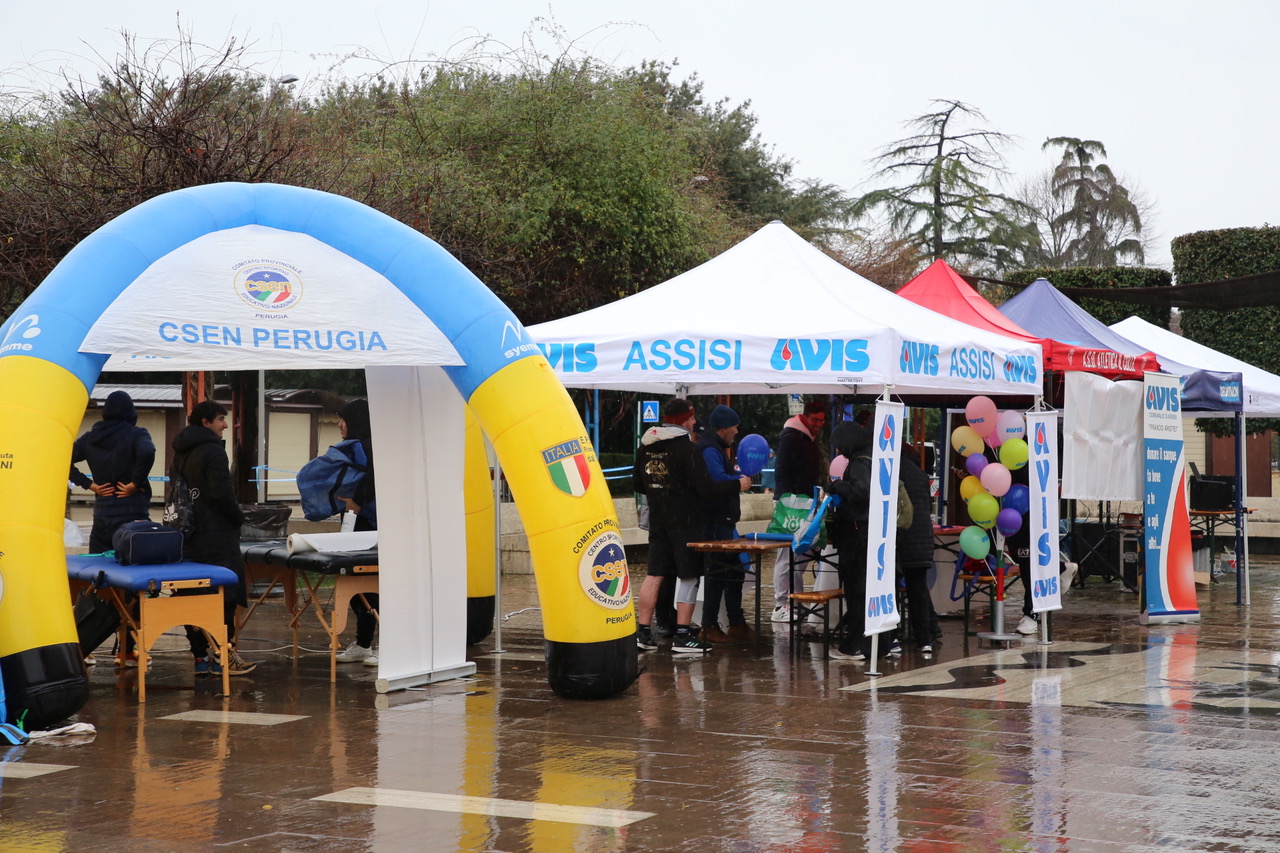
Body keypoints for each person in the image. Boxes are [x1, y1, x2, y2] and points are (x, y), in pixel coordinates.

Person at [633, 398, 751, 654]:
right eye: (691, 418)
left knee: (654, 576)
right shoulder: (685, 448)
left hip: (658, 522)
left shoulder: (646, 446)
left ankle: (642, 632)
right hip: (685, 523)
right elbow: (706, 488)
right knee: (688, 577)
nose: (695, 422)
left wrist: (661, 492)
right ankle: (684, 636)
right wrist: (737, 485)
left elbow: (638, 485)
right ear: (686, 418)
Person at [68, 389, 155, 666]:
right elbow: (148, 451)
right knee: (131, 584)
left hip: (103, 516)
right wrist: (136, 482)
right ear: (130, 412)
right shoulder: (137, 434)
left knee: (96, 582)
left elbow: (62, 455)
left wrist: (90, 484)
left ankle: (83, 646)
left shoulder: (92, 436)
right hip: (133, 519)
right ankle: (126, 649)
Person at [171, 400, 257, 676]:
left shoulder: (180, 452)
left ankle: (200, 656)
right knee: (225, 595)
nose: (224, 425)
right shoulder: (213, 451)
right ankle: (226, 655)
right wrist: (238, 518)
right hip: (217, 536)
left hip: (188, 534)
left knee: (192, 595)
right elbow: (222, 494)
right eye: (221, 419)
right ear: (206, 422)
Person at [824, 420, 900, 663]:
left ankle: (856, 645)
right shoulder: (875, 458)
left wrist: (837, 486)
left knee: (857, 592)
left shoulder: (859, 463)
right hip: (875, 535)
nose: (838, 450)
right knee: (875, 591)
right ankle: (881, 644)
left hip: (858, 537)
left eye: (839, 444)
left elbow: (862, 492)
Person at [697, 404, 753, 645]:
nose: (736, 432)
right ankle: (709, 625)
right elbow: (715, 480)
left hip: (724, 522)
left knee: (734, 572)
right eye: (734, 428)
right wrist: (738, 481)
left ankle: (736, 623)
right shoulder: (710, 449)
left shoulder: (715, 447)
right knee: (718, 573)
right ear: (724, 429)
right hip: (716, 523)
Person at [331, 399, 380, 666]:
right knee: (356, 582)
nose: (339, 424)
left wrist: (357, 502)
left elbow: (374, 477)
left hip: (370, 523)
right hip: (354, 522)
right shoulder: (356, 447)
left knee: (372, 584)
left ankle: (386, 645)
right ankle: (363, 644)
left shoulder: (373, 446)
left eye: (344, 419)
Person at [770, 401, 826, 622]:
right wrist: (788, 500)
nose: (819, 425)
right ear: (804, 417)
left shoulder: (804, 438)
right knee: (788, 555)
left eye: (822, 421)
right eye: (815, 420)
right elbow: (782, 471)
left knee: (798, 555)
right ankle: (782, 604)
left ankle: (793, 601)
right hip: (792, 505)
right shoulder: (792, 438)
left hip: (803, 504)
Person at [898, 444, 940, 654]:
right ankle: (927, 636)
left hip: (905, 536)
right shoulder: (921, 475)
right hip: (923, 536)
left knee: (899, 588)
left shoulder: (895, 471)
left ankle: (894, 637)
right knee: (918, 589)